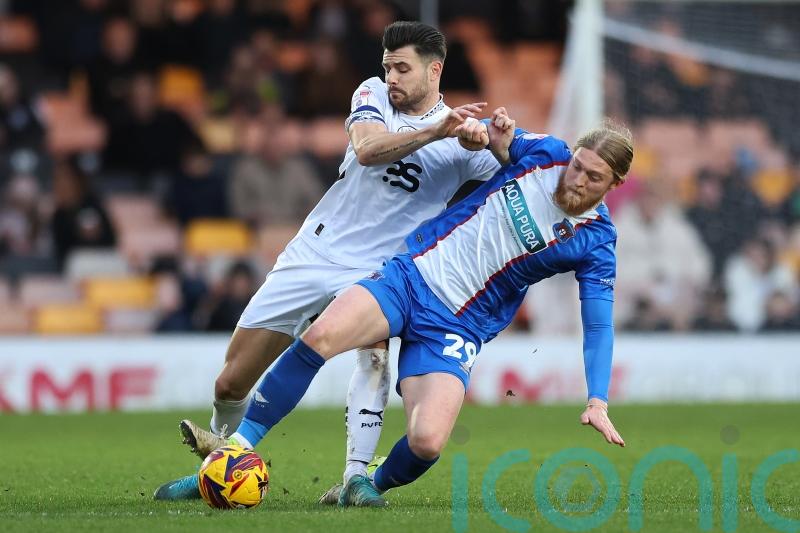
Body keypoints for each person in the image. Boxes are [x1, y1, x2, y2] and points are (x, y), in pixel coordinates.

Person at [179, 107, 632, 508]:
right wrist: (487, 129)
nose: (577, 179)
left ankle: (367, 483)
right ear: (571, 155)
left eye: (593, 178)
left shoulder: (597, 244)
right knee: (320, 337)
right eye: (578, 166)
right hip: (413, 275)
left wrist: (597, 399)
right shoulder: (546, 155)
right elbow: (492, 137)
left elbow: (597, 327)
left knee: (428, 442)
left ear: (615, 184)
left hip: (459, 325)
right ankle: (232, 451)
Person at [153, 21, 499, 501]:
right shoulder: (372, 93)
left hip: (381, 269)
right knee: (231, 381)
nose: (392, 76)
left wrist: (493, 139)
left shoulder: (460, 137)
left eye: (403, 68)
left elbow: (513, 167)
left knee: (375, 356)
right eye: (388, 66)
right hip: (316, 250)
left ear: (434, 69)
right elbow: (368, 149)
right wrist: (435, 130)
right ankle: (219, 464)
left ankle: (356, 476)